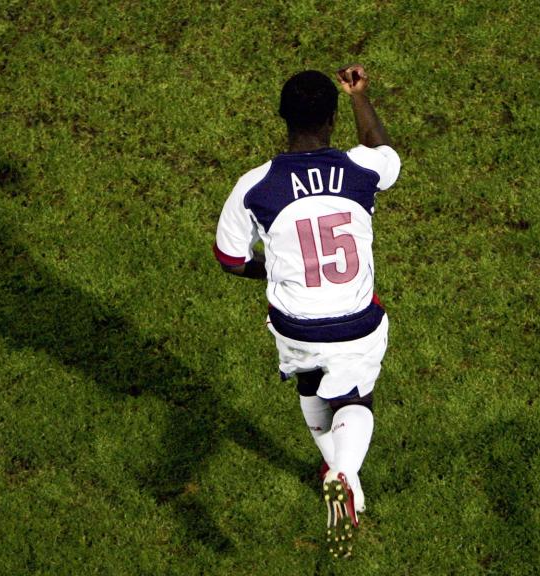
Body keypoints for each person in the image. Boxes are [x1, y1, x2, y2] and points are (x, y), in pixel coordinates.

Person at [213, 64, 399, 556]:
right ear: (334, 119)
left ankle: (342, 480)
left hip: (294, 326)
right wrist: (360, 95)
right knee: (357, 398)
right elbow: (383, 148)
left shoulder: (255, 186)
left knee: (312, 384)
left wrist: (272, 273)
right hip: (355, 322)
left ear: (280, 116)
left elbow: (230, 260)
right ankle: (344, 471)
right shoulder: (362, 167)